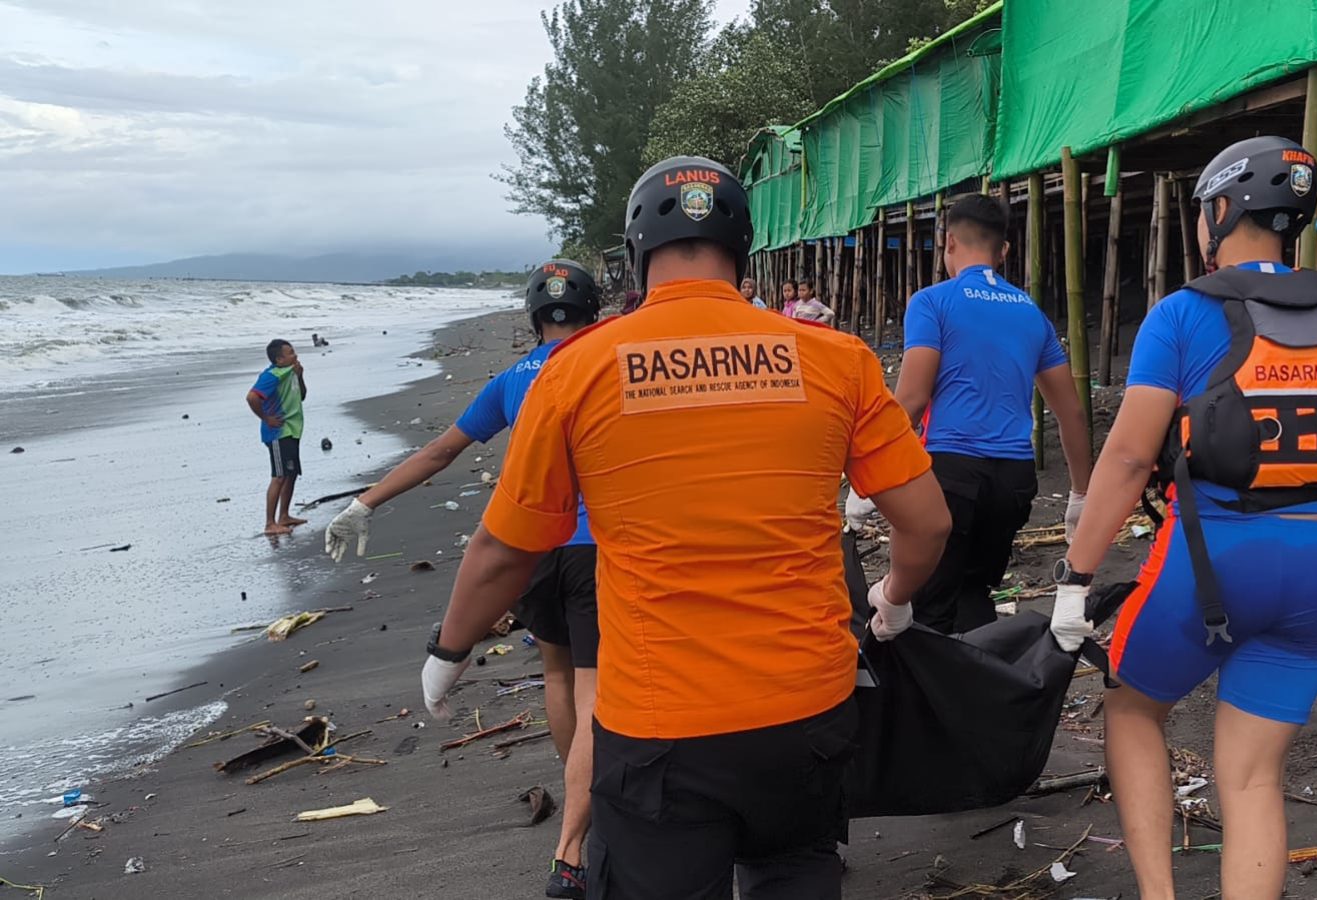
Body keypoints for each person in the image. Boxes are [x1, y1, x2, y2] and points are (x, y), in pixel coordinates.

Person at [419, 155, 951, 900]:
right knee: (796, 869)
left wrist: (450, 650)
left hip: (659, 728)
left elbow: (507, 548)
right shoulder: (837, 359)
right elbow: (927, 524)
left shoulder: (575, 370)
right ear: (743, 248)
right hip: (808, 711)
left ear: (637, 253)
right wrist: (893, 600)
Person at [1050, 136, 1317, 900]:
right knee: (1254, 776)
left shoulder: (1182, 315)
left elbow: (1127, 460)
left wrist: (1076, 578)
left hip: (1211, 564)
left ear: (1224, 209)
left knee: (1133, 711)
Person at [324, 260, 602, 899]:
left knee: (557, 675)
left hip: (530, 547)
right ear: (593, 311)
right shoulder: (606, 363)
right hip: (597, 547)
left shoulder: (511, 380)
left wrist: (365, 502)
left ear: (534, 317)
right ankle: (576, 842)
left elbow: (440, 451)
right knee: (596, 688)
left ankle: (577, 788)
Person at [855, 192, 1092, 634]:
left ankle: (930, 677)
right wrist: (1080, 494)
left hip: (950, 474)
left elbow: (913, 399)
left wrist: (870, 474)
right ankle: (976, 670)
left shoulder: (932, 302)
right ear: (1004, 251)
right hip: (1014, 482)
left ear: (947, 242)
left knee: (928, 607)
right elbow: (1072, 414)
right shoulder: (1031, 312)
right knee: (974, 593)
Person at [246, 339, 308, 536]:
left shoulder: (290, 372)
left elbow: (302, 396)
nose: (295, 355)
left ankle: (284, 516)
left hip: (292, 429)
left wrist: (300, 376)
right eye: (290, 353)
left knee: (291, 473)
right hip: (277, 433)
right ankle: (269, 523)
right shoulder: (271, 375)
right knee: (279, 476)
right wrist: (266, 418)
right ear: (279, 359)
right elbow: (252, 397)